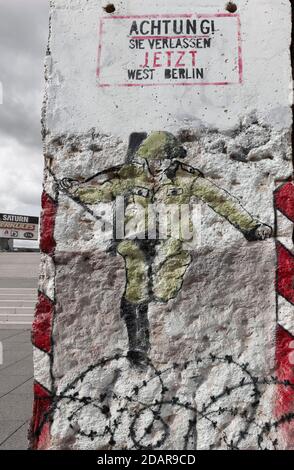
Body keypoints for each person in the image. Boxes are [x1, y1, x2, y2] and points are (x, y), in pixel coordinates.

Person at [60, 131, 272, 365]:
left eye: (165, 159)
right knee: (136, 291)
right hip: (136, 242)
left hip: (172, 244)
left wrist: (252, 227)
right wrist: (75, 189)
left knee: (163, 292)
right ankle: (138, 348)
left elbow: (221, 200)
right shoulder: (131, 178)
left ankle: (155, 299)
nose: (159, 164)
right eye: (155, 159)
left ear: (173, 159)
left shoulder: (186, 179)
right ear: (146, 158)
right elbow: (102, 192)